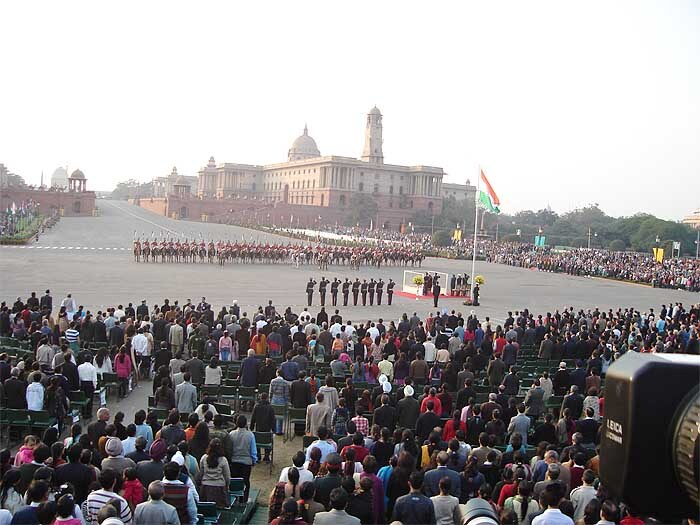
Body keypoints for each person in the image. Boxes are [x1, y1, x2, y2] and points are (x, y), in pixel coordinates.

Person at [228, 415, 256, 501]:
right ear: (245, 424)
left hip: (234, 462)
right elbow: (253, 451)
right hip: (246, 463)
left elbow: (229, 448)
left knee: (235, 481)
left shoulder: (231, 434)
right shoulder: (250, 435)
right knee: (245, 482)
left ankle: (235, 498)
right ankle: (244, 499)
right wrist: (254, 460)